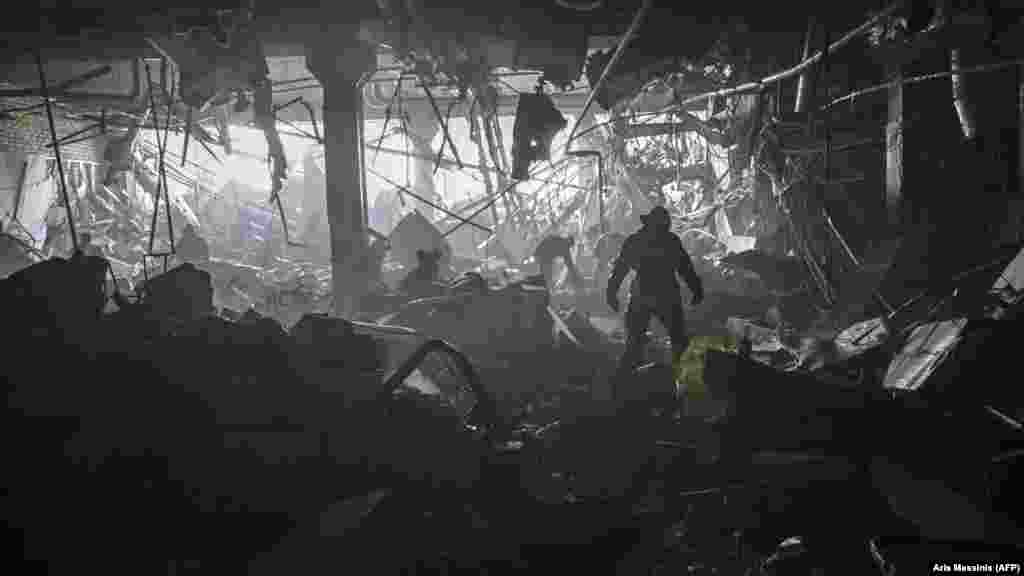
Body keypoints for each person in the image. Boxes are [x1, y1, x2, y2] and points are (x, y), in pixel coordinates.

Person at [606, 206, 704, 380]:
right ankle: (683, 381)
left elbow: (620, 269)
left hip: (642, 293)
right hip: (666, 293)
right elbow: (685, 268)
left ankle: (625, 382)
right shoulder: (670, 240)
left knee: (635, 342)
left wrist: (611, 292)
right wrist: (696, 289)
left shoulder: (635, 240)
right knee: (678, 341)